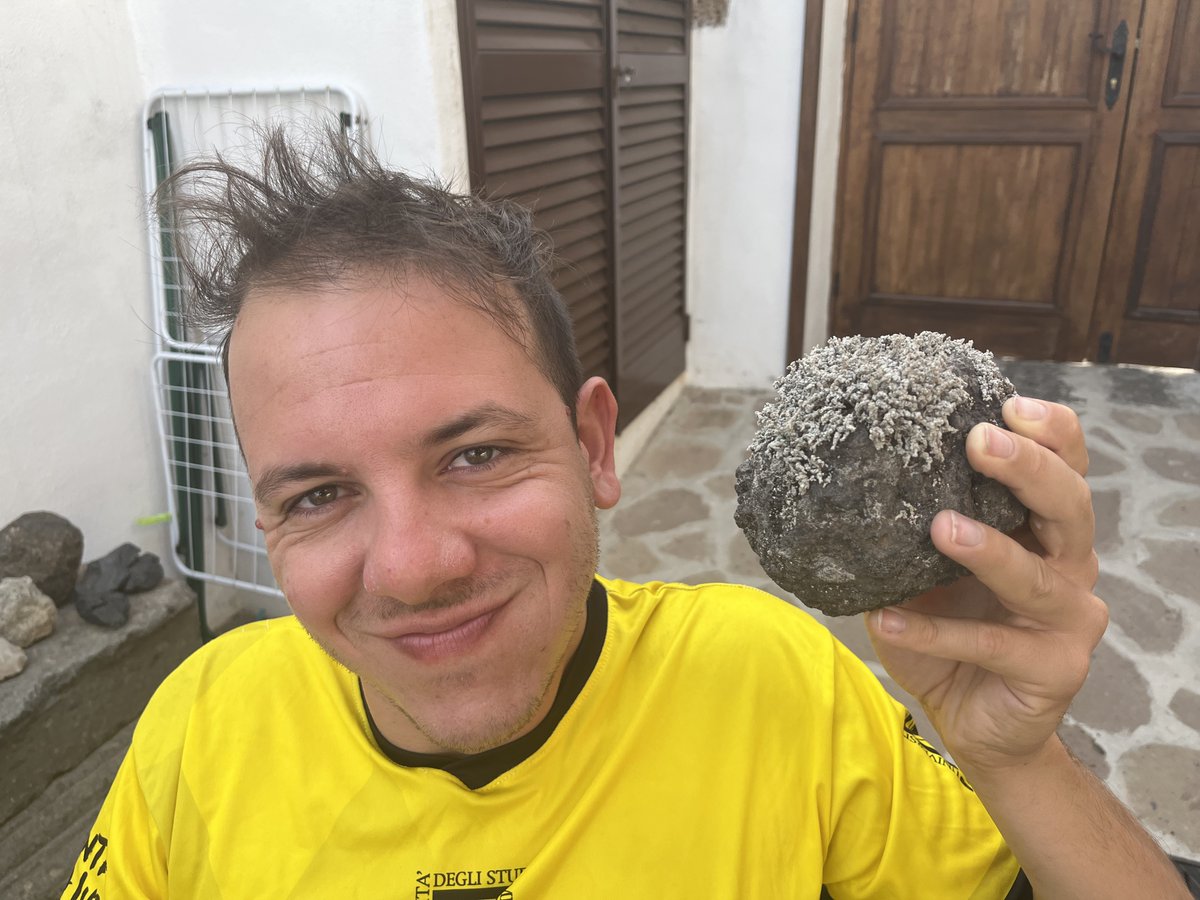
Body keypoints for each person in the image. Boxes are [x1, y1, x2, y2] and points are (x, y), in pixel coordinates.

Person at [63, 128, 1190, 899]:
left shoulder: (774, 688)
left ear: (594, 445)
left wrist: (1022, 763)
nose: (410, 567)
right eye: (317, 495)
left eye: (475, 454)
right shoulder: (199, 730)